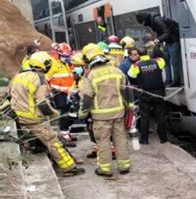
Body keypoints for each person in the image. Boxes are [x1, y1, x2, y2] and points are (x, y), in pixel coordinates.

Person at [9, 51, 85, 177]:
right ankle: (69, 168)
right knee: (53, 142)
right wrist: (54, 114)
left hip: (18, 115)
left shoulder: (18, 76)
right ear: (43, 65)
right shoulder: (39, 78)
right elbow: (42, 103)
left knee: (38, 140)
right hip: (33, 117)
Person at [79, 43, 134, 177]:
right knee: (120, 139)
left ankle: (105, 169)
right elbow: (127, 91)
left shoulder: (91, 76)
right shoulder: (116, 71)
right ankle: (124, 166)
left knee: (103, 142)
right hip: (118, 113)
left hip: (101, 117)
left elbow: (87, 98)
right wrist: (130, 107)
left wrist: (82, 114)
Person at [127, 47, 167, 144]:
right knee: (160, 115)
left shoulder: (136, 65)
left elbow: (131, 76)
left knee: (145, 116)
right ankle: (163, 139)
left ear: (139, 55)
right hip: (158, 92)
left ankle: (144, 140)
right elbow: (164, 67)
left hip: (144, 93)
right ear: (148, 53)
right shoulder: (158, 61)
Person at [136, 13, 182, 87]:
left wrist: (157, 40)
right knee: (166, 61)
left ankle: (176, 81)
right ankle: (168, 80)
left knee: (174, 62)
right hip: (167, 42)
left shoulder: (157, 20)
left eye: (144, 23)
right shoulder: (153, 21)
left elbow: (167, 32)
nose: (145, 25)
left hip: (173, 41)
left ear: (145, 20)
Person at [46, 42, 76, 147]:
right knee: (64, 113)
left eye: (68, 55)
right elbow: (47, 79)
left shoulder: (69, 64)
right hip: (58, 93)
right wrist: (50, 93)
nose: (66, 57)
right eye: (64, 55)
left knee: (71, 113)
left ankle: (66, 132)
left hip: (69, 93)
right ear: (58, 54)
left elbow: (72, 77)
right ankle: (64, 135)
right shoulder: (53, 64)